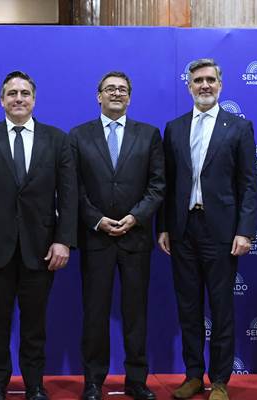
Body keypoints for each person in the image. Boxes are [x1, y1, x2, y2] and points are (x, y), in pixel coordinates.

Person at [0, 71, 76, 400]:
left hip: (41, 248)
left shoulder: (57, 139)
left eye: (24, 93)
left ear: (34, 100)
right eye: (12, 93)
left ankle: (34, 383)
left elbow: (68, 196)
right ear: (1, 100)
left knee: (35, 324)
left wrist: (63, 239)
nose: (18, 98)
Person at [157, 58, 257, 400]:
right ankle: (193, 375)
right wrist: (165, 227)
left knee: (221, 308)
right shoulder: (174, 127)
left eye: (210, 80)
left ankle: (221, 381)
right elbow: (166, 185)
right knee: (188, 308)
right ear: (188, 86)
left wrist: (245, 231)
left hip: (223, 232)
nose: (204, 85)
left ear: (220, 85)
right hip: (184, 229)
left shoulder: (239, 127)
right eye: (198, 80)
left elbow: (248, 184)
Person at [69, 71, 163, 400]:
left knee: (136, 313)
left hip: (135, 238)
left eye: (123, 90)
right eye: (110, 89)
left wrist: (135, 217)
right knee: (95, 313)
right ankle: (93, 380)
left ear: (130, 97)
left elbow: (157, 185)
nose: (116, 94)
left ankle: (136, 379)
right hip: (96, 238)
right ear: (98, 96)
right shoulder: (78, 136)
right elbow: (73, 189)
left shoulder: (149, 135)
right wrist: (97, 220)